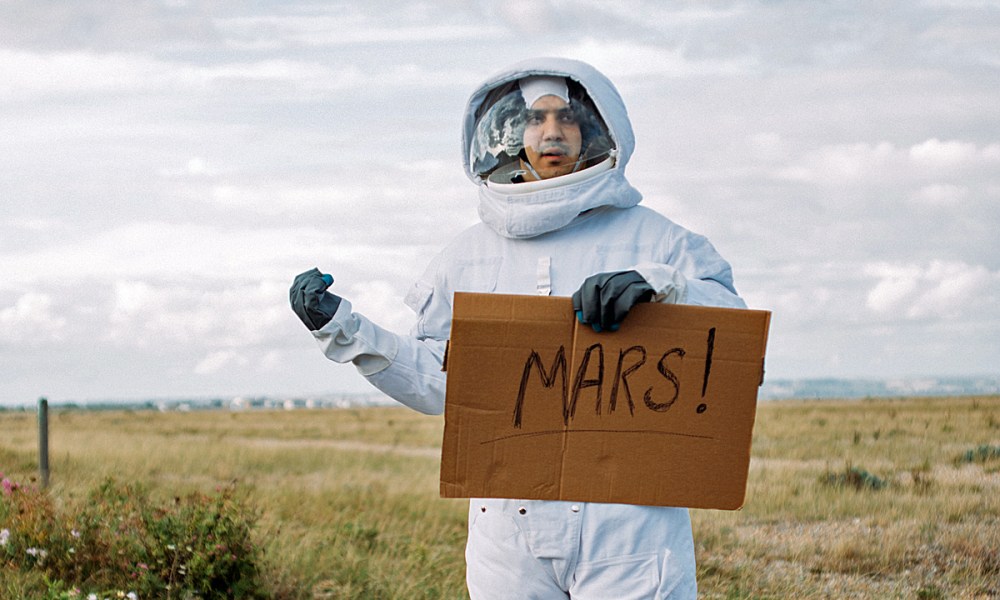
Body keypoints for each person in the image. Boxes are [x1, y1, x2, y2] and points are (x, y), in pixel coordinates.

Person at [290, 57, 746, 599]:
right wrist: (343, 329)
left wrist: (663, 287)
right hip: (507, 526)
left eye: (567, 118)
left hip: (631, 525)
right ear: (508, 133)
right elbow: (440, 383)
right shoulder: (467, 255)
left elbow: (734, 337)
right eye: (534, 119)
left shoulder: (657, 240)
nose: (551, 132)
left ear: (597, 131)